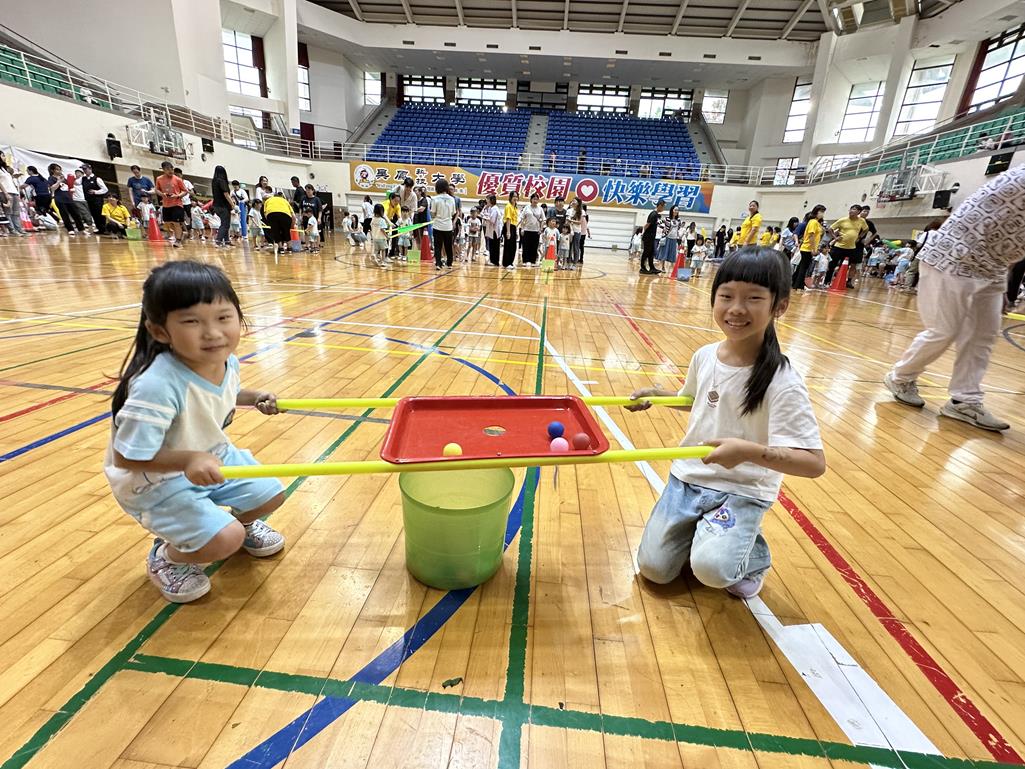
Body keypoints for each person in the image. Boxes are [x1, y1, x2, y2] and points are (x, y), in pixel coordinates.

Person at [628, 247, 825, 598]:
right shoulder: (704, 356)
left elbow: (813, 463)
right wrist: (657, 395)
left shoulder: (783, 380)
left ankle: (754, 557)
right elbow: (697, 401)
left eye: (753, 298)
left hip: (743, 490)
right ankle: (707, 535)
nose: (736, 308)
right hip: (688, 479)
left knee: (714, 570)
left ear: (779, 306)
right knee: (654, 570)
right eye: (726, 296)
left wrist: (747, 451)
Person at [104, 261, 286, 603]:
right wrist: (188, 460)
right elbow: (126, 457)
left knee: (271, 493)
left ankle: (228, 526)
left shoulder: (225, 360)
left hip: (210, 455)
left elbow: (220, 393)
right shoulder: (156, 386)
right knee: (225, 540)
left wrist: (253, 397)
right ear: (160, 331)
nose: (213, 332)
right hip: (156, 480)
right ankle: (167, 557)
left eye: (223, 317)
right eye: (191, 321)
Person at [884, 167, 1025, 431]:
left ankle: (964, 400)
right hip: (954, 255)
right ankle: (900, 377)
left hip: (993, 265)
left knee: (983, 334)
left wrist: (1008, 286)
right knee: (943, 330)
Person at [822, 204, 868, 287]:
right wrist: (835, 237)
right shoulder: (843, 220)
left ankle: (838, 282)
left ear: (858, 212)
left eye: (854, 209)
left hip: (851, 248)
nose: (851, 211)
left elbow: (866, 229)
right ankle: (826, 282)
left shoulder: (862, 221)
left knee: (844, 266)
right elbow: (830, 229)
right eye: (851, 209)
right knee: (832, 265)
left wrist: (859, 237)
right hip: (838, 247)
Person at [791, 205, 826, 291]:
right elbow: (811, 236)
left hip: (808, 248)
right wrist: (813, 249)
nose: (822, 214)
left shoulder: (816, 223)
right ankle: (799, 286)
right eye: (821, 211)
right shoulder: (813, 222)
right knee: (804, 268)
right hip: (807, 248)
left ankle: (794, 282)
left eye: (823, 212)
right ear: (816, 212)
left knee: (801, 266)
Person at [154, 161, 187, 247]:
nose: (170, 171)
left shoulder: (178, 179)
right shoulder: (159, 179)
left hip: (177, 204)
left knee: (176, 223)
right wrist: (162, 194)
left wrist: (177, 195)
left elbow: (185, 191)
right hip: (166, 205)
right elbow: (157, 190)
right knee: (167, 223)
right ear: (163, 170)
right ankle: (181, 233)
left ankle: (178, 240)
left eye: (172, 169)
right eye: (168, 169)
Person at [48, 163, 86, 236]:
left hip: (68, 198)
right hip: (60, 199)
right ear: (52, 170)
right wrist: (59, 181)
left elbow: (68, 186)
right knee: (64, 215)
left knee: (76, 213)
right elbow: (52, 188)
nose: (59, 171)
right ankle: (70, 229)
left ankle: (81, 229)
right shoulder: (51, 178)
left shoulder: (63, 178)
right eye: (57, 169)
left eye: (60, 169)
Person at [430, 179, 456, 270]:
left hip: (437, 225)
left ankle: (438, 263)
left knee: (438, 246)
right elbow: (453, 212)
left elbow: (433, 213)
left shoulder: (435, 199)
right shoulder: (452, 199)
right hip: (448, 226)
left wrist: (435, 215)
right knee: (448, 245)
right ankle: (449, 263)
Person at [210, 165, 235, 248]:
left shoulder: (214, 182)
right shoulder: (222, 181)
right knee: (225, 224)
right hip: (223, 206)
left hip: (216, 206)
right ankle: (218, 241)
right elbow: (226, 194)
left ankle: (227, 241)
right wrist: (232, 204)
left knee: (225, 223)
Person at [262, 192, 294, 257]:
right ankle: (289, 248)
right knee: (286, 231)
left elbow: (265, 213)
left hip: (272, 214)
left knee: (276, 232)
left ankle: (281, 248)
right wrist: (292, 225)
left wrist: (270, 222)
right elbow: (293, 214)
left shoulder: (268, 200)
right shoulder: (284, 200)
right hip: (286, 215)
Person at [80, 164, 109, 233]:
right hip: (89, 200)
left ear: (90, 169)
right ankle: (99, 228)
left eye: (86, 169)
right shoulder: (83, 179)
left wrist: (95, 192)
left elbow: (105, 189)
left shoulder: (97, 179)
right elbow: (76, 182)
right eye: (83, 169)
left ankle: (104, 229)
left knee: (100, 214)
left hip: (97, 200)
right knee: (94, 214)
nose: (84, 171)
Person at [0, 158, 25, 236]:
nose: (4, 157)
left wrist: (14, 176)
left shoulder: (4, 169)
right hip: (5, 192)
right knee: (8, 212)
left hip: (14, 191)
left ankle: (19, 229)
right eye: (2, 155)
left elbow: (7, 179)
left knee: (16, 213)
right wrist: (6, 193)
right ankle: (12, 231)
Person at [639, 199, 665, 275]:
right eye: (663, 207)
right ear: (659, 206)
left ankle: (652, 268)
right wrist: (643, 234)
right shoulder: (653, 214)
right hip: (648, 237)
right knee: (646, 252)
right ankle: (642, 268)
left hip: (651, 237)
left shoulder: (656, 214)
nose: (663, 209)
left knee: (651, 253)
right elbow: (647, 225)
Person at [173, 168, 195, 241]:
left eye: (178, 175)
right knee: (180, 219)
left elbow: (193, 193)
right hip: (178, 203)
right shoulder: (173, 183)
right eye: (175, 175)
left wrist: (186, 191)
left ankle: (191, 233)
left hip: (187, 203)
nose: (177, 177)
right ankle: (185, 232)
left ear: (181, 175)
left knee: (189, 218)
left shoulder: (187, 182)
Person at [501, 191, 520, 270]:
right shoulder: (508, 206)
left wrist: (515, 231)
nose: (515, 198)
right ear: (510, 197)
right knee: (508, 246)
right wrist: (508, 232)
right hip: (508, 226)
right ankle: (506, 263)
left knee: (513, 246)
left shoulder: (515, 207)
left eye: (516, 196)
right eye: (514, 196)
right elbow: (508, 219)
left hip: (513, 227)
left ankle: (510, 262)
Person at [484, 194, 502, 267]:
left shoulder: (494, 209)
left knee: (494, 246)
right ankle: (493, 261)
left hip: (495, 230)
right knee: (493, 245)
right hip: (493, 230)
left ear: (491, 200)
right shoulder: (491, 208)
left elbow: (492, 220)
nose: (486, 201)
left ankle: (494, 261)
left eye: (487, 199)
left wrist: (486, 217)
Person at [370, 202, 390, 268]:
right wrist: (387, 236)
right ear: (382, 211)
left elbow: (371, 227)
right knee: (383, 250)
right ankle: (383, 262)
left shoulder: (373, 219)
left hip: (375, 238)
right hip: (381, 238)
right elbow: (382, 229)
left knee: (376, 249)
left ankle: (374, 255)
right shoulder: (382, 220)